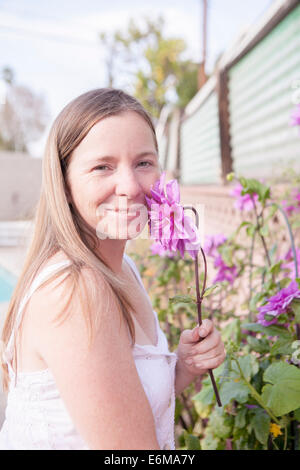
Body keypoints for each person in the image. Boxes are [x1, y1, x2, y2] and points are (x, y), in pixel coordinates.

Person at [0, 88, 225, 450]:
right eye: (102, 166)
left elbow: (125, 405)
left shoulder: (123, 269)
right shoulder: (75, 291)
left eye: (144, 163)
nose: (131, 186)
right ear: (66, 184)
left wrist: (182, 367)